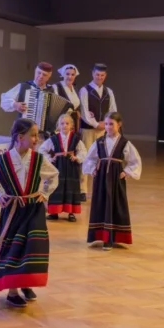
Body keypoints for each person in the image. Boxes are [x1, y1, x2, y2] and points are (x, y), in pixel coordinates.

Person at [0, 118, 58, 308]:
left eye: (37, 135)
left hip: (33, 210)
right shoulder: (3, 160)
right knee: (13, 248)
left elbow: (54, 175)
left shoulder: (38, 159)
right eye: (32, 135)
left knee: (31, 247)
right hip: (13, 211)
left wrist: (44, 193)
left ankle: (25, 282)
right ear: (19, 137)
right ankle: (12, 292)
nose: (36, 139)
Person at [82, 112, 142, 250]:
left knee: (115, 204)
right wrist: (93, 169)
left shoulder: (124, 143)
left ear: (119, 125)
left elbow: (135, 161)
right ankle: (101, 236)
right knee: (101, 203)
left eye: (111, 124)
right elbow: (90, 158)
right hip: (101, 178)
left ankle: (112, 237)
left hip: (116, 178)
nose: (108, 127)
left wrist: (126, 172)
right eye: (106, 124)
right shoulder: (99, 142)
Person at [78, 63, 118, 196]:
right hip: (88, 130)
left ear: (105, 76)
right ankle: (82, 189)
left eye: (102, 75)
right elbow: (84, 111)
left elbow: (113, 110)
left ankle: (101, 188)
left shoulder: (109, 91)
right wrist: (96, 124)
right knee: (86, 157)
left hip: (103, 130)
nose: (99, 77)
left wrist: (106, 124)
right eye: (97, 74)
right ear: (92, 74)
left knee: (103, 159)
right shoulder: (85, 90)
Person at [39, 113, 85, 221]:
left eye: (67, 123)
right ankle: (54, 212)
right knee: (56, 186)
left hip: (71, 166)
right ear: (58, 125)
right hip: (58, 166)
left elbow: (83, 151)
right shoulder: (53, 139)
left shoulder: (76, 139)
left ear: (71, 125)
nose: (64, 125)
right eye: (62, 123)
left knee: (71, 187)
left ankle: (71, 212)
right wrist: (50, 159)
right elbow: (42, 150)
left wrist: (77, 157)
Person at [51, 64, 81, 130]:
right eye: (67, 74)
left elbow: (76, 105)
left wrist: (77, 111)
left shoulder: (75, 88)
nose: (70, 77)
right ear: (63, 74)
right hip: (61, 123)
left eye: (72, 75)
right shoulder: (56, 87)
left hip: (73, 122)